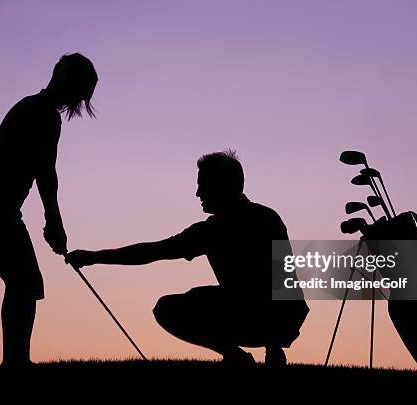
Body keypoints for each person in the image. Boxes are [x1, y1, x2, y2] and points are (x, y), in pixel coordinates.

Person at [66, 150, 309, 366]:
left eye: (204, 185)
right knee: (211, 296)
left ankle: (238, 355)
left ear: (221, 186)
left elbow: (152, 251)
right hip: (286, 317)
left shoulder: (214, 230)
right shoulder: (267, 217)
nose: (197, 193)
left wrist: (93, 257)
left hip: (264, 317)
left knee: (168, 308)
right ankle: (263, 351)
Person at [0, 53, 98, 367]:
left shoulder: (34, 108)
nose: (76, 98)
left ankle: (16, 361)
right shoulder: (42, 114)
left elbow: (43, 172)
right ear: (61, 79)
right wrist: (54, 222)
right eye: (77, 89)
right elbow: (46, 173)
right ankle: (16, 363)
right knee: (25, 283)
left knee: (24, 282)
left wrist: (52, 221)